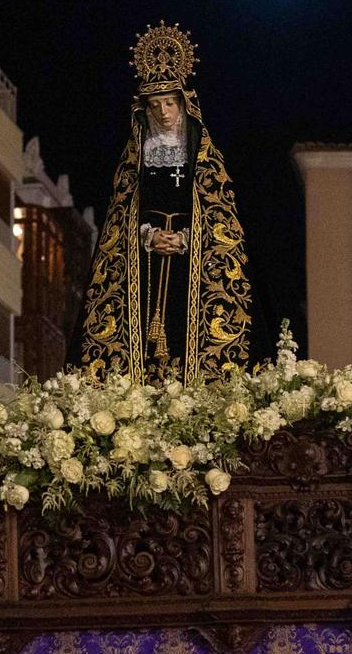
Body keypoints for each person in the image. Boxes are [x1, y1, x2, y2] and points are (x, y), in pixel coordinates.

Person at [76, 22, 250, 383]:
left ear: (185, 104)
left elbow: (222, 219)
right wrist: (147, 235)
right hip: (146, 256)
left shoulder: (204, 160)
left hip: (193, 264)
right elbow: (118, 218)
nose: (164, 112)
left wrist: (188, 239)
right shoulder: (135, 160)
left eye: (170, 102)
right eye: (155, 104)